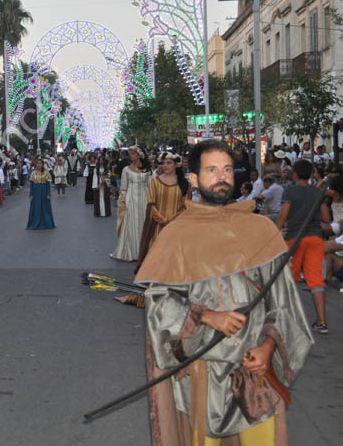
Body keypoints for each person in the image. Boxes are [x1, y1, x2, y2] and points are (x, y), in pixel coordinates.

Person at [136, 139, 313, 446]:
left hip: (256, 373)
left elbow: (285, 303)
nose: (222, 176)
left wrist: (269, 346)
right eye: (212, 169)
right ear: (193, 178)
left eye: (228, 169)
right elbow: (159, 305)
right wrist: (206, 316)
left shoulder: (261, 229)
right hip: (203, 375)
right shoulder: (176, 235)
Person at [275, 159, 330, 334]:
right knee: (316, 280)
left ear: (295, 174)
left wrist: (275, 232)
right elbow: (326, 218)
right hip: (315, 239)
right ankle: (321, 322)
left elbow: (283, 215)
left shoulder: (289, 191)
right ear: (311, 174)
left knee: (289, 280)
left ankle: (287, 321)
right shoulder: (317, 192)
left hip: (294, 239)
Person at [137, 152, 189, 267]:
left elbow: (186, 206)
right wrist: (163, 220)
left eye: (169, 163)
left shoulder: (184, 184)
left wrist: (171, 220)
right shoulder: (155, 182)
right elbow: (151, 204)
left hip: (176, 226)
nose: (165, 166)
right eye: (163, 163)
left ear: (176, 165)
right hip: (157, 226)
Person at [111, 147, 151, 261]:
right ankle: (130, 251)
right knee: (130, 223)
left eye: (133, 154)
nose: (131, 156)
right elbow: (123, 188)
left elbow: (150, 186)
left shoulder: (146, 170)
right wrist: (122, 202)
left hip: (144, 198)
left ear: (138, 155)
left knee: (143, 223)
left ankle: (143, 251)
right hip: (131, 199)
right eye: (130, 154)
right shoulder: (126, 170)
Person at [26, 158, 55, 230]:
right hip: (36, 192)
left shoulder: (46, 173)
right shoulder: (33, 173)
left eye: (40, 164)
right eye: (37, 163)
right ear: (36, 164)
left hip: (44, 191)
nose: (39, 165)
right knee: (36, 207)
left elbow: (48, 184)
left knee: (45, 207)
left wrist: (48, 194)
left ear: (42, 164)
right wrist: (31, 194)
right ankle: (35, 223)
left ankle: (47, 223)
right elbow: (31, 185)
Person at [89, 153, 111, 218]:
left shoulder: (107, 169)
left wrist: (102, 182)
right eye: (100, 160)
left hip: (105, 185)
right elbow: (94, 177)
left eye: (102, 160)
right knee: (98, 198)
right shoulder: (96, 169)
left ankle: (105, 212)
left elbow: (108, 176)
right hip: (98, 184)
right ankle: (99, 212)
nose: (101, 161)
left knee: (105, 198)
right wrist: (95, 186)